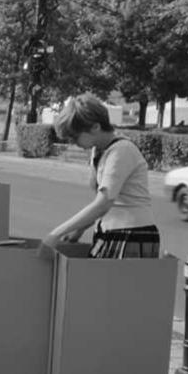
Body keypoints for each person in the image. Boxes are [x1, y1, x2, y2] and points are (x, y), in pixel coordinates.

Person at [43, 93, 160, 258]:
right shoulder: (99, 151)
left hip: (131, 234)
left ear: (95, 127)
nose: (73, 143)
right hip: (113, 232)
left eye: (75, 137)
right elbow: (103, 204)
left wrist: (56, 233)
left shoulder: (121, 151)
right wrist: (80, 229)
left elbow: (103, 203)